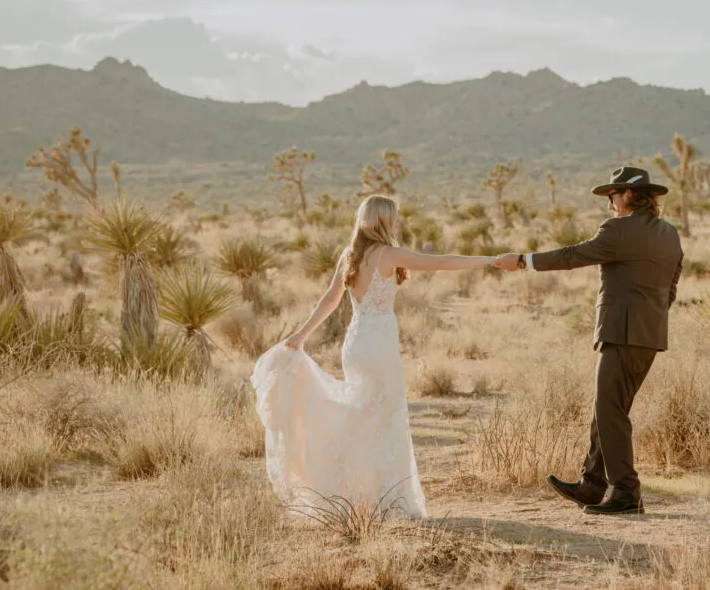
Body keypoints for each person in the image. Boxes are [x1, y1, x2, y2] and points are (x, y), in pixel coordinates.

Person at [250, 195, 497, 519]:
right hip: (380, 346)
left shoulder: (350, 256)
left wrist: (301, 335)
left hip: (355, 345)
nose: (398, 223)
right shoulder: (388, 254)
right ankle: (388, 500)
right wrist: (488, 260)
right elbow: (440, 261)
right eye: (393, 218)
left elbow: (329, 300)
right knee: (387, 418)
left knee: (364, 417)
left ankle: (357, 494)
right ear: (382, 221)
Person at [495, 166, 683, 515]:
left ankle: (626, 493)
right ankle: (591, 484)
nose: (609, 203)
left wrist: (523, 261)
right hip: (649, 335)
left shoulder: (619, 229)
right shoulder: (669, 233)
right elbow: (672, 283)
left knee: (610, 411)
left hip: (622, 333)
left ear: (627, 195)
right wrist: (652, 316)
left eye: (612, 195)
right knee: (608, 409)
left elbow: (573, 256)